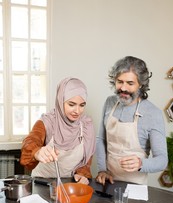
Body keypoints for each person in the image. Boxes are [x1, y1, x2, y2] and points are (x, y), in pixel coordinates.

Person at [96, 56, 168, 186]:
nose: (123, 88)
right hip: (108, 181)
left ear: (140, 84)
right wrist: (102, 170)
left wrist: (141, 163)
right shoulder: (110, 102)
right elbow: (101, 139)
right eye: (119, 81)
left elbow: (162, 160)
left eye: (130, 83)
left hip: (136, 185)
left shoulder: (153, 113)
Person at [20, 77, 96, 185]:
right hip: (41, 183)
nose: (77, 111)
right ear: (61, 100)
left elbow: (86, 160)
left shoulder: (86, 125)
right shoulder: (47, 121)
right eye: (71, 104)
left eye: (82, 105)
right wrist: (36, 151)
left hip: (69, 185)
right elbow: (31, 141)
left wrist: (81, 174)